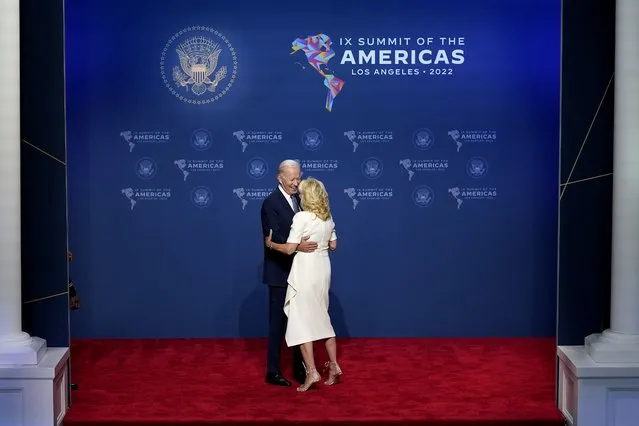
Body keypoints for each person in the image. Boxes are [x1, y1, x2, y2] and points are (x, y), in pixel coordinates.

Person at [264, 177, 342, 392]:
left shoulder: (301, 217)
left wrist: (271, 243)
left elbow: (289, 249)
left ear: (307, 196)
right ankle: (334, 367)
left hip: (305, 272)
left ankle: (312, 372)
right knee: (322, 318)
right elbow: (333, 245)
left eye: (301, 192)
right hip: (323, 270)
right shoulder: (328, 218)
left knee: (300, 323)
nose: (298, 193)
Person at [261, 160, 318, 386]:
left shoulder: (300, 200)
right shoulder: (270, 203)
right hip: (279, 272)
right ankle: (272, 372)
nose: (296, 183)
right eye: (292, 179)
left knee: (301, 323)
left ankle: (300, 369)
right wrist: (298, 245)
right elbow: (272, 238)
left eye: (298, 178)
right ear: (280, 178)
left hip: (301, 272)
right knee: (278, 325)